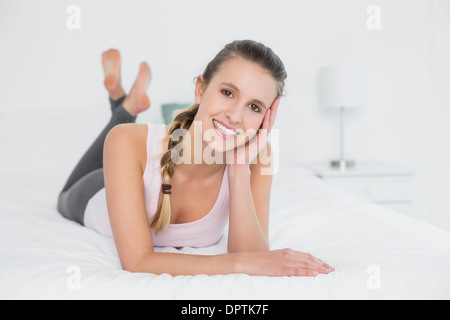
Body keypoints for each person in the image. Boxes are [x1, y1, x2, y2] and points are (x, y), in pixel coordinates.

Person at [57, 40, 335, 277]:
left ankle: (123, 100)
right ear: (200, 89)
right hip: (93, 191)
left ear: (266, 118)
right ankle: (123, 108)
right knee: (64, 194)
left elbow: (255, 258)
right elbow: (138, 261)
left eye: (254, 107)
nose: (236, 116)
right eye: (227, 93)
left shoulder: (260, 157)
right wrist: (235, 263)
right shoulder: (126, 141)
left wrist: (238, 169)